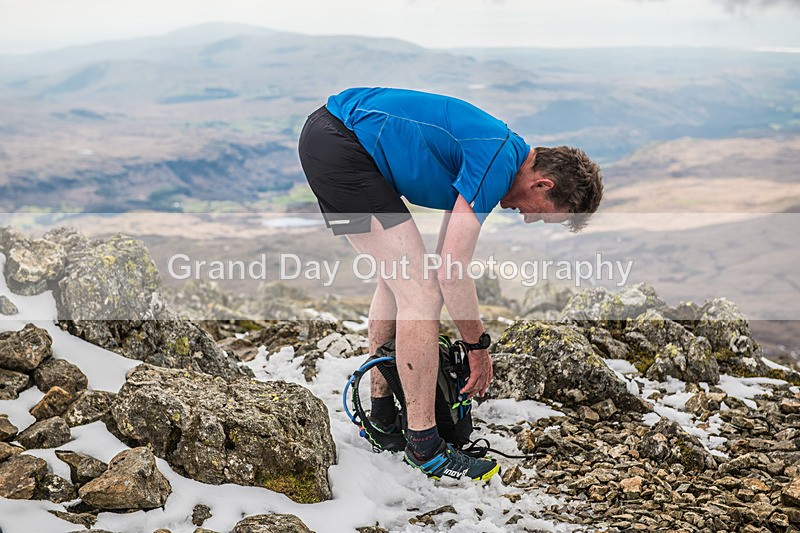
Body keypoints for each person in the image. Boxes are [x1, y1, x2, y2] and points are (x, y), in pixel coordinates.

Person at [298, 87, 603, 482]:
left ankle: (384, 415)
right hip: (342, 144)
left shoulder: (499, 153)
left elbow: (446, 257)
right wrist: (477, 348)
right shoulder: (496, 159)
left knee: (400, 281)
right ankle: (424, 447)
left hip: (332, 139)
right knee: (420, 291)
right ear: (543, 184)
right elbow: (452, 270)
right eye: (542, 214)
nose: (528, 218)